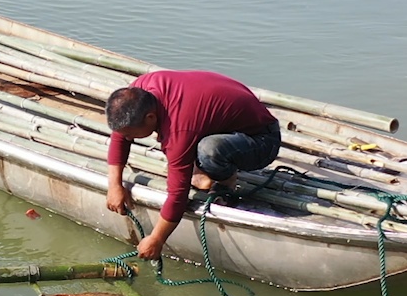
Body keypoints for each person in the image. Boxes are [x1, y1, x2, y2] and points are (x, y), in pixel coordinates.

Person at [104, 69, 281, 260]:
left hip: (262, 141)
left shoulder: (179, 128)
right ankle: (200, 169)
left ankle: (225, 181)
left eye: (131, 133)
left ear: (150, 118)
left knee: (209, 151)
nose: (129, 138)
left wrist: (156, 239)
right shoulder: (141, 89)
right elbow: (121, 136)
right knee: (199, 147)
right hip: (223, 124)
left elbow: (178, 196)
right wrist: (114, 185)